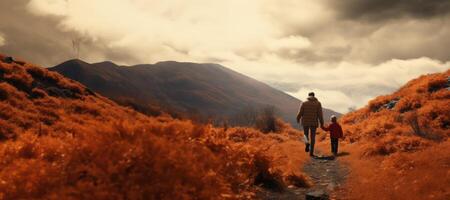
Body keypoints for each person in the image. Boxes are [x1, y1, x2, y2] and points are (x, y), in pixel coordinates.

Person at [296, 92, 324, 157]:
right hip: (314, 122)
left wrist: (298, 118)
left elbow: (300, 112)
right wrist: (321, 123)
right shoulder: (318, 103)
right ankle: (311, 153)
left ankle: (306, 143)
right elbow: (320, 114)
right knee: (313, 137)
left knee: (305, 134)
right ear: (314, 96)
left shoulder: (304, 103)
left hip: (305, 121)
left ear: (308, 96)